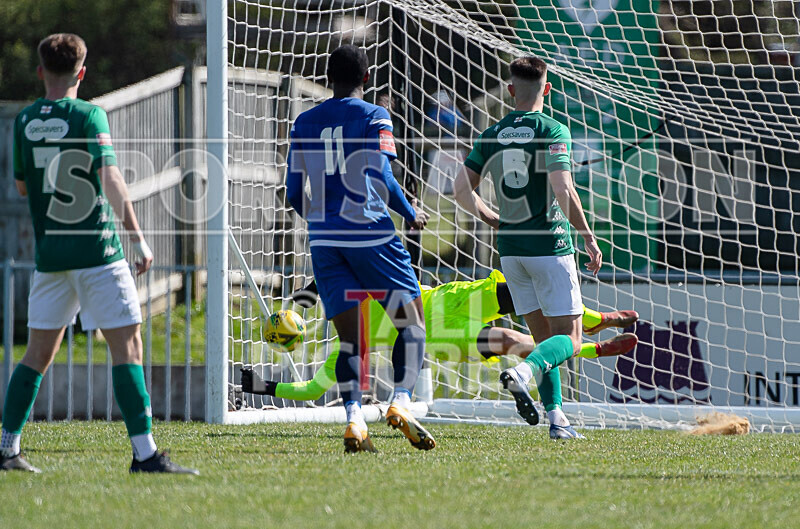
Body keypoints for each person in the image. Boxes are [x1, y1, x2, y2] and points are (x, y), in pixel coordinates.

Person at [0, 34, 197, 474]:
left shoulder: (25, 120)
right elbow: (110, 178)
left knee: (36, 354)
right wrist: (138, 237)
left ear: (40, 72)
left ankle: (6, 447)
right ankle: (145, 454)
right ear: (82, 73)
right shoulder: (90, 115)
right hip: (97, 251)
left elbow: (21, 187)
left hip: (51, 256)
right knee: (127, 346)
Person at [242, 271, 637, 438]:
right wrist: (306, 298)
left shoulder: (348, 339)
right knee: (527, 303)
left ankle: (594, 339)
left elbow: (312, 389)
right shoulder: (350, 315)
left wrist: (262, 385)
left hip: (444, 326)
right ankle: (594, 332)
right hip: (446, 303)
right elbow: (341, 271)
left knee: (512, 339)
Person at [285, 45, 434, 453]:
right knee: (411, 322)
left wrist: (320, 222)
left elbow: (294, 192)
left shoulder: (304, 121)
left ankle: (354, 419)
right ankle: (401, 402)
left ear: (328, 78)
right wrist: (408, 211)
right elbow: (381, 172)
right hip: (369, 231)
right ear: (366, 79)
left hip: (325, 240)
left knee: (351, 340)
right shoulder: (374, 115)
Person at [453, 56, 604, 435]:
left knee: (542, 341)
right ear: (547, 89)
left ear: (510, 90)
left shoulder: (491, 134)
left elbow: (459, 189)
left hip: (511, 250)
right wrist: (586, 234)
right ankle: (522, 371)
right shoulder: (552, 130)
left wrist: (490, 217)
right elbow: (562, 187)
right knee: (569, 339)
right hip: (549, 247)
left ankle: (557, 420)